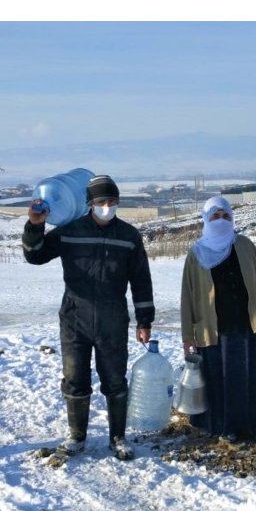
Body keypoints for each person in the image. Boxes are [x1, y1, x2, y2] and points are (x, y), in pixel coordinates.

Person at [23, 174, 155, 461]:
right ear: (89, 204)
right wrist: (35, 225)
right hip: (74, 318)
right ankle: (77, 436)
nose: (106, 206)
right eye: (100, 201)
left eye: (111, 201)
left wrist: (144, 321)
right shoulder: (70, 231)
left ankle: (117, 437)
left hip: (113, 319)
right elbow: (34, 256)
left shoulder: (129, 236)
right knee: (75, 378)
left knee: (115, 380)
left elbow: (141, 281)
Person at [179, 196, 256, 442]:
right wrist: (187, 337)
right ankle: (226, 428)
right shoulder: (197, 254)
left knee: (252, 378)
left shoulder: (245, 245)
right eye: (215, 216)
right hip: (214, 331)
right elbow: (188, 297)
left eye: (226, 215)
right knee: (221, 380)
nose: (221, 220)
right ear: (205, 218)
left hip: (249, 327)